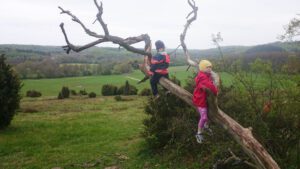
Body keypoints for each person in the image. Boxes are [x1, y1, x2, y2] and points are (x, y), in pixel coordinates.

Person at [192, 60, 218, 143]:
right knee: (204, 117)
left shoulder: (206, 75)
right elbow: (210, 86)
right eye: (207, 67)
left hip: (204, 99)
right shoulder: (202, 77)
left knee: (207, 115)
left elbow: (209, 82)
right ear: (203, 68)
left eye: (210, 67)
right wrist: (216, 91)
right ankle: (199, 133)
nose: (210, 68)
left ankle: (206, 127)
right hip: (200, 100)